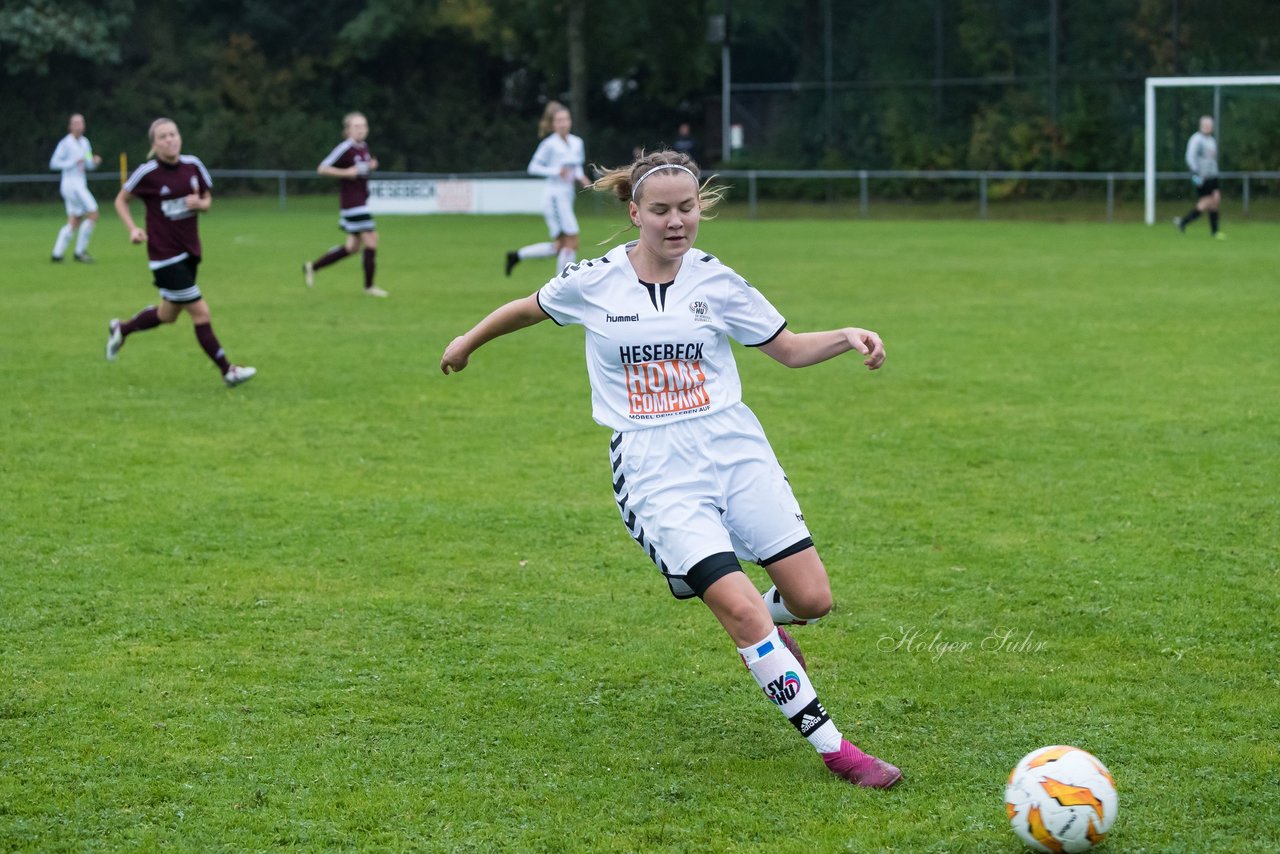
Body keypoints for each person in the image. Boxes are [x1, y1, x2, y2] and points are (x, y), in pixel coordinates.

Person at [444, 149, 902, 789]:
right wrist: (466, 343)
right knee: (743, 613)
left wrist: (847, 334)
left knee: (812, 599)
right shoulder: (593, 280)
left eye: (686, 208)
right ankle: (840, 753)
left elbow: (790, 350)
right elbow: (525, 308)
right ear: (635, 213)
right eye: (660, 210)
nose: (675, 221)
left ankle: (756, 620)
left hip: (734, 447)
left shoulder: (717, 280)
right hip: (654, 463)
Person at [105, 118, 256, 388]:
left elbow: (208, 201)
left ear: (180, 137)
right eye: (163, 136)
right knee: (201, 313)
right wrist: (132, 229)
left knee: (167, 315)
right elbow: (120, 200)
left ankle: (122, 328)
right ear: (154, 144)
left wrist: (201, 203)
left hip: (190, 253)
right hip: (164, 257)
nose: (169, 140)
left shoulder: (193, 165)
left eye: (173, 134)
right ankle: (228, 371)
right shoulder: (147, 172)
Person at [303, 112, 388, 297]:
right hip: (353, 204)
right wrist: (346, 173)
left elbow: (361, 169)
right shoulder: (345, 148)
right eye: (356, 126)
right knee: (372, 240)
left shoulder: (364, 147)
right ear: (348, 130)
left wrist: (371, 165)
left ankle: (312, 267)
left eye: (363, 126)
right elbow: (322, 168)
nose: (361, 130)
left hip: (361, 201)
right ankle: (369, 287)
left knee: (352, 248)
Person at [504, 101, 591, 277]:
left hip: (567, 196)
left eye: (566, 119)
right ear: (553, 124)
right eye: (559, 120)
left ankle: (517, 256)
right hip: (554, 197)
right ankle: (562, 285)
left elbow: (575, 167)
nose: (563, 123)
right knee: (572, 240)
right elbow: (533, 167)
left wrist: (581, 177)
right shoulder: (549, 144)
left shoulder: (577, 142)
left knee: (560, 246)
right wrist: (555, 171)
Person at [49, 113, 102, 263]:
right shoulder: (66, 143)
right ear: (70, 126)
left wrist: (94, 162)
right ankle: (79, 252)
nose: (79, 125)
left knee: (75, 220)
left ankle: (57, 254)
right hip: (71, 184)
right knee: (93, 212)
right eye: (76, 123)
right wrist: (72, 161)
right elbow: (54, 163)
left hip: (80, 182)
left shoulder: (85, 143)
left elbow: (88, 164)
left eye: (81, 122)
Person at [1174, 115, 1224, 239]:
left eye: (1210, 125)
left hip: (1213, 175)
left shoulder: (1211, 140)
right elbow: (1190, 157)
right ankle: (1183, 222)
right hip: (1202, 175)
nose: (1208, 127)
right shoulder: (1196, 139)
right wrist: (1195, 173)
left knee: (1215, 200)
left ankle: (1214, 231)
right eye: (1206, 125)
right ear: (1201, 126)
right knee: (1206, 202)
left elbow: (1212, 160)